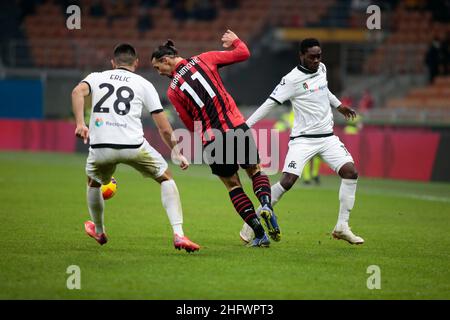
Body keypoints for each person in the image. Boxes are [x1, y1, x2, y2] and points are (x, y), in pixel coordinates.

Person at [151, 30, 280, 247]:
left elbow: (191, 124)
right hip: (237, 126)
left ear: (166, 60)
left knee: (233, 186)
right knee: (255, 170)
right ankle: (266, 204)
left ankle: (259, 233)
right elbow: (243, 53)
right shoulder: (206, 58)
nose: (159, 72)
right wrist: (235, 41)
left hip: (212, 139)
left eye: (158, 67)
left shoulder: (173, 90)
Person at [71, 43, 200, 252]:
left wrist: (80, 124)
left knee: (93, 183)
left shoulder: (96, 77)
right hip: (133, 145)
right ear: (136, 63)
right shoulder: (143, 83)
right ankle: (179, 234)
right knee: (166, 178)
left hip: (101, 146)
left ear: (113, 63)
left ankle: (100, 230)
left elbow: (77, 92)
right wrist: (176, 150)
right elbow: (163, 127)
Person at [240, 38, 364, 245]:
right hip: (303, 140)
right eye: (312, 57)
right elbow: (269, 103)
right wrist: (245, 126)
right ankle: (252, 222)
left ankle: (342, 226)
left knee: (350, 172)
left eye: (319, 56)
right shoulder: (291, 80)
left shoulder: (322, 69)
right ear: (301, 56)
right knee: (287, 181)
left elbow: (324, 90)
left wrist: (339, 105)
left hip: (327, 137)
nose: (316, 60)